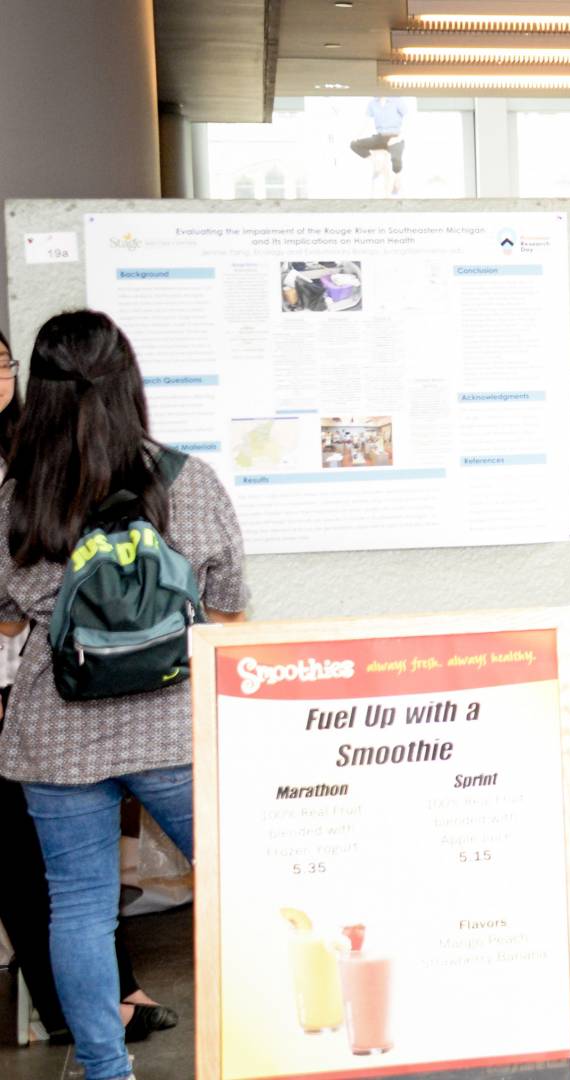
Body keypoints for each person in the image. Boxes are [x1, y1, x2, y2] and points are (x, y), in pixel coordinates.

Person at [0, 311, 249, 1080]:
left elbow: (10, 616)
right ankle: (252, 1050)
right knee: (239, 882)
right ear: (128, 381)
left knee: (77, 906)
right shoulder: (185, 480)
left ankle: (108, 1072)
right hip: (177, 731)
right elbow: (230, 609)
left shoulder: (18, 497)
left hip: (58, 734)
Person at [349, 96, 410, 173]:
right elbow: (365, 122)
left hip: (395, 138)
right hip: (380, 138)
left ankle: (396, 181)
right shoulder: (372, 103)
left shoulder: (397, 100)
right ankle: (377, 163)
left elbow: (409, 119)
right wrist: (357, 136)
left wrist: (399, 137)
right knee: (354, 145)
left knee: (396, 164)